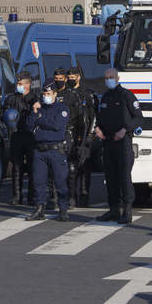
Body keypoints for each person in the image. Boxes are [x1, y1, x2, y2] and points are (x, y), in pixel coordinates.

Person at [95, 68, 143, 224]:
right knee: (110, 178)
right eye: (106, 77)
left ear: (118, 78)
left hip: (122, 143)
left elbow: (138, 118)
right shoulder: (105, 97)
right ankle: (113, 210)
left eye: (111, 77)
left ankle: (127, 211)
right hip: (108, 143)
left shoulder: (126, 95)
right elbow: (100, 118)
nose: (108, 80)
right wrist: (98, 128)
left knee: (124, 178)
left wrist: (125, 129)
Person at [25, 80, 71, 222]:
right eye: (44, 93)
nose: (46, 96)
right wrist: (34, 113)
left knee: (60, 181)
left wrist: (40, 120)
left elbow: (57, 126)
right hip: (40, 150)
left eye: (48, 93)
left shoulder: (61, 108)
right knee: (39, 181)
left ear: (55, 94)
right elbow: (28, 126)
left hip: (56, 150)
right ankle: (39, 209)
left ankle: (63, 210)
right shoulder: (39, 107)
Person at [2, 71, 40, 205]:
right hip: (16, 135)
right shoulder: (11, 99)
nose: (18, 86)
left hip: (31, 136)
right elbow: (4, 115)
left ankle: (31, 196)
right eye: (17, 83)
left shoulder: (35, 98)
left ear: (28, 84)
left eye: (21, 83)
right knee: (17, 166)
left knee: (32, 167)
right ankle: (17, 196)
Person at [53, 68, 83, 209]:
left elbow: (79, 118)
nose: (58, 81)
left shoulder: (71, 96)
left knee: (71, 167)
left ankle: (71, 197)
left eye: (61, 79)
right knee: (54, 167)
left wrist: (80, 137)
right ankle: (55, 198)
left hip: (69, 133)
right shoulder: (51, 94)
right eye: (56, 79)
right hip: (55, 133)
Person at [67, 66, 93, 207]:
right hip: (71, 133)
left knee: (84, 166)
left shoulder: (86, 94)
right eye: (69, 78)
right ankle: (72, 197)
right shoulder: (67, 93)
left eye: (73, 77)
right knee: (71, 167)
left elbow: (93, 115)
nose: (71, 80)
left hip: (84, 133)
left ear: (78, 77)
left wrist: (90, 134)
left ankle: (84, 196)